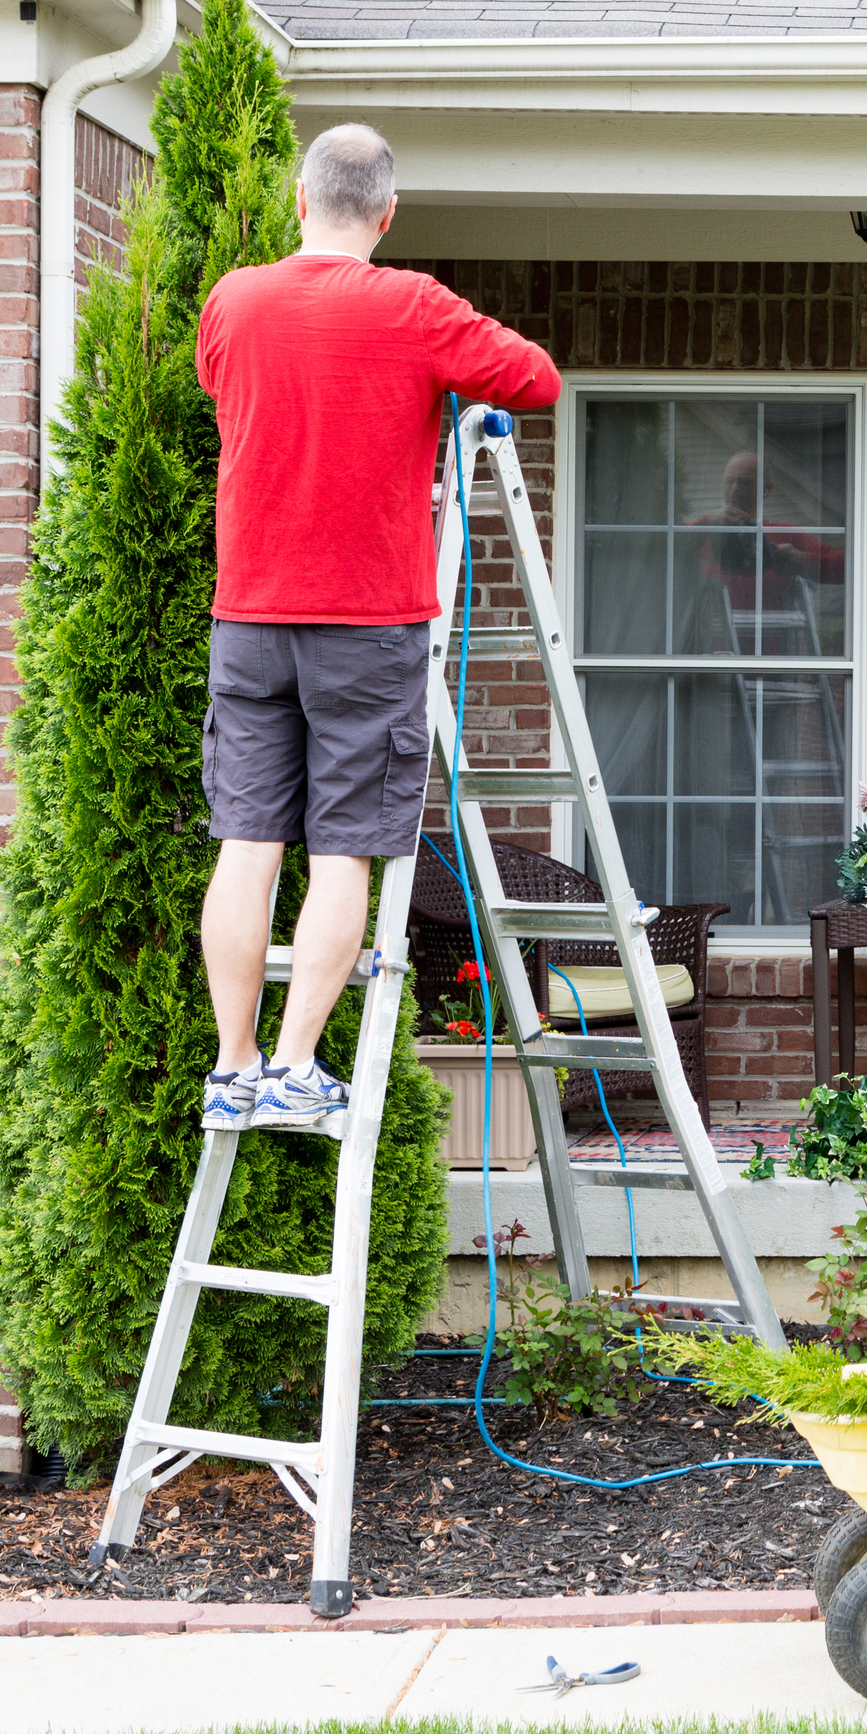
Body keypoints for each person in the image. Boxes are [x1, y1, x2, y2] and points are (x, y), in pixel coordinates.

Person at [192, 123, 562, 1130]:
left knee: (247, 843)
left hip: (250, 618)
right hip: (366, 624)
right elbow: (535, 378)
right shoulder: (414, 305)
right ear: (387, 214)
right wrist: (430, 378)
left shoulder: (235, 299)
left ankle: (233, 1066)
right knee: (344, 849)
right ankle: (299, 1064)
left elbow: (224, 384)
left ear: (298, 201)